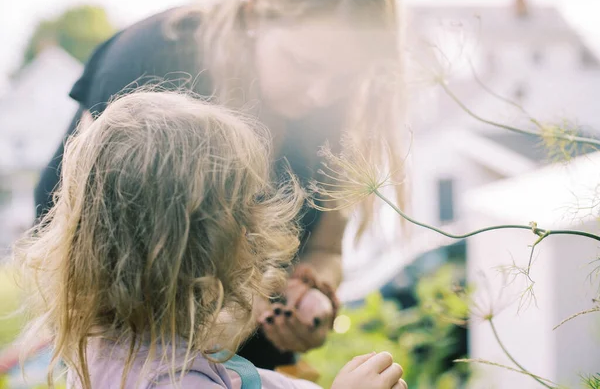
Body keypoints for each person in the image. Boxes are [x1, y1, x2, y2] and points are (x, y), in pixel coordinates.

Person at [33, 0, 407, 370]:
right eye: (302, 64)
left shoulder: (335, 111)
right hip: (141, 356)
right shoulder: (152, 62)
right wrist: (235, 297)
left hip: (252, 359)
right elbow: (91, 242)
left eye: (345, 78)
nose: (320, 94)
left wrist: (310, 295)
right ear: (253, 15)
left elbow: (327, 250)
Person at [15, 91, 407, 389]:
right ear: (191, 248)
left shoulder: (121, 350)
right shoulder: (171, 379)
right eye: (241, 211)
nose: (249, 229)